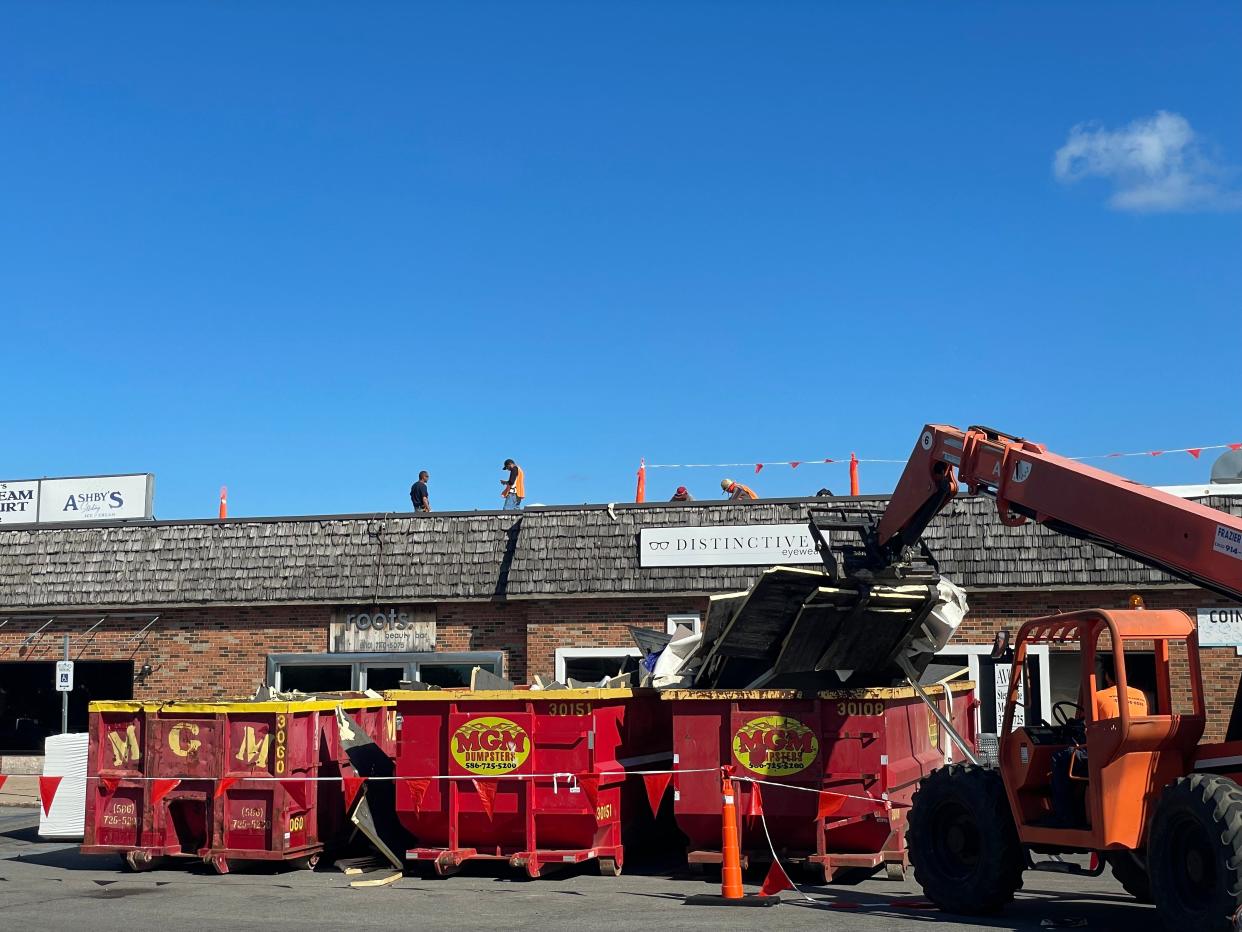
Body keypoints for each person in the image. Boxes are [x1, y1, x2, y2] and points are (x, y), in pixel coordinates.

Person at [1048, 662, 1149, 826]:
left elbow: (1086, 727)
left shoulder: (1099, 697)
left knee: (1060, 758)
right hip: (1130, 753)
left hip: (1103, 754)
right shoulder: (1141, 697)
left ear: (1107, 677)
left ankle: (1064, 816)